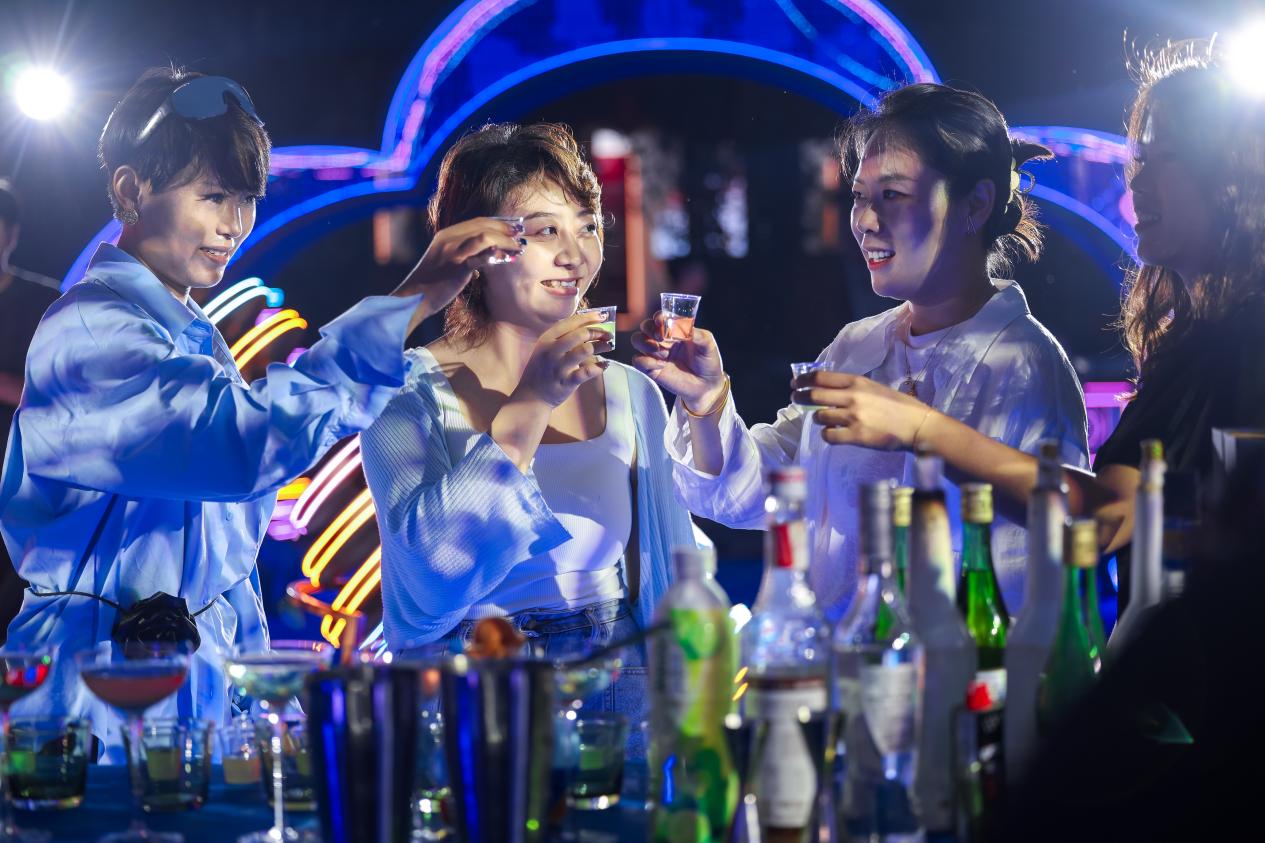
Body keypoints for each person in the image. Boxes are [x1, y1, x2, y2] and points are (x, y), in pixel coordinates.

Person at [0, 68, 516, 761]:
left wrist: (258, 699)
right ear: (130, 190)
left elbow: (227, 570)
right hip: (95, 698)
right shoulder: (90, 331)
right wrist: (413, 298)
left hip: (195, 693)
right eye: (212, 195)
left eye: (245, 198)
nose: (233, 224)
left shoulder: (188, 332)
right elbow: (240, 444)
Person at [799, 41, 1265, 569]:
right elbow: (1101, 513)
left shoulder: (1247, 346)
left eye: (1166, 159)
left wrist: (919, 428)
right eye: (1140, 160)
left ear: (1235, 175)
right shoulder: (1188, 351)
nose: (1137, 181)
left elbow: (1101, 520)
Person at [632, 83, 1089, 619]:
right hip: (837, 665)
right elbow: (758, 493)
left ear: (976, 204)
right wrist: (706, 402)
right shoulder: (857, 346)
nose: (866, 220)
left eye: (893, 194)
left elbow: (1047, 565)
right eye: (858, 196)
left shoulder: (1023, 365)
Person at [360, 123, 701, 724]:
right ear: (475, 252)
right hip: (465, 686)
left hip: (615, 681)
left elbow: (671, 582)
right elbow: (427, 582)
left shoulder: (631, 392)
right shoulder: (404, 392)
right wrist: (532, 403)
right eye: (545, 231)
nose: (576, 255)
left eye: (587, 226)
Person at [0, 179, 61, 644]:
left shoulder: (46, 303)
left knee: (17, 618)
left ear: (12, 233)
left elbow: (65, 397)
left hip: (24, 483)